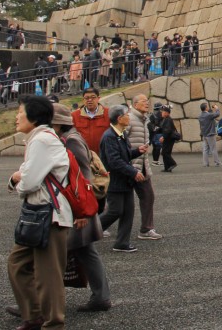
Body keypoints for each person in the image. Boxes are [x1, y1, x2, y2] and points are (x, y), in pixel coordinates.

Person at [7, 96, 73, 329]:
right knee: (18, 263)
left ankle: (52, 322)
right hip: (41, 212)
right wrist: (18, 179)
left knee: (48, 274)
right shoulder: (39, 138)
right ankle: (33, 314)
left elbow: (29, 181)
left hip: (49, 213)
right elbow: (28, 174)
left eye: (20, 112)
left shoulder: (41, 140)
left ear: (33, 117)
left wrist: (18, 181)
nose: (17, 116)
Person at [50, 104, 112, 313]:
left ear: (57, 122)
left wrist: (82, 212)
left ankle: (36, 304)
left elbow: (82, 177)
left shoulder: (71, 141)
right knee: (86, 251)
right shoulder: (70, 137)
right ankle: (101, 297)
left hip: (77, 208)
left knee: (49, 254)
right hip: (78, 207)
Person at [99, 105, 148, 253]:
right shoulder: (109, 136)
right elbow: (114, 161)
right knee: (114, 211)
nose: (129, 117)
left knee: (128, 212)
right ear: (119, 118)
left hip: (125, 180)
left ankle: (121, 243)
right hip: (115, 180)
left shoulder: (121, 134)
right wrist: (133, 172)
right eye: (127, 114)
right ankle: (86, 231)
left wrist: (136, 152)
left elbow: (123, 156)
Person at [127, 94, 162, 240]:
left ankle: (146, 229)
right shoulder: (128, 119)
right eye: (143, 101)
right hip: (128, 166)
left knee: (148, 196)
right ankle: (96, 228)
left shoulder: (144, 120)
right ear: (135, 104)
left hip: (142, 166)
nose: (147, 104)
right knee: (117, 204)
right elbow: (119, 141)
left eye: (147, 101)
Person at [71, 87, 111, 155]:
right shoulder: (74, 116)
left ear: (98, 98)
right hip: (83, 155)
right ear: (83, 100)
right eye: (86, 98)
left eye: (93, 97)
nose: (89, 100)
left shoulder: (108, 113)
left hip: (104, 154)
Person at [158, 105, 178, 173]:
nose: (162, 113)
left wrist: (163, 137)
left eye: (163, 112)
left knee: (165, 152)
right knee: (165, 152)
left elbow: (168, 130)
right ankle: (167, 167)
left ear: (167, 113)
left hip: (169, 138)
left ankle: (172, 163)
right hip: (168, 138)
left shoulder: (168, 119)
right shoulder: (165, 119)